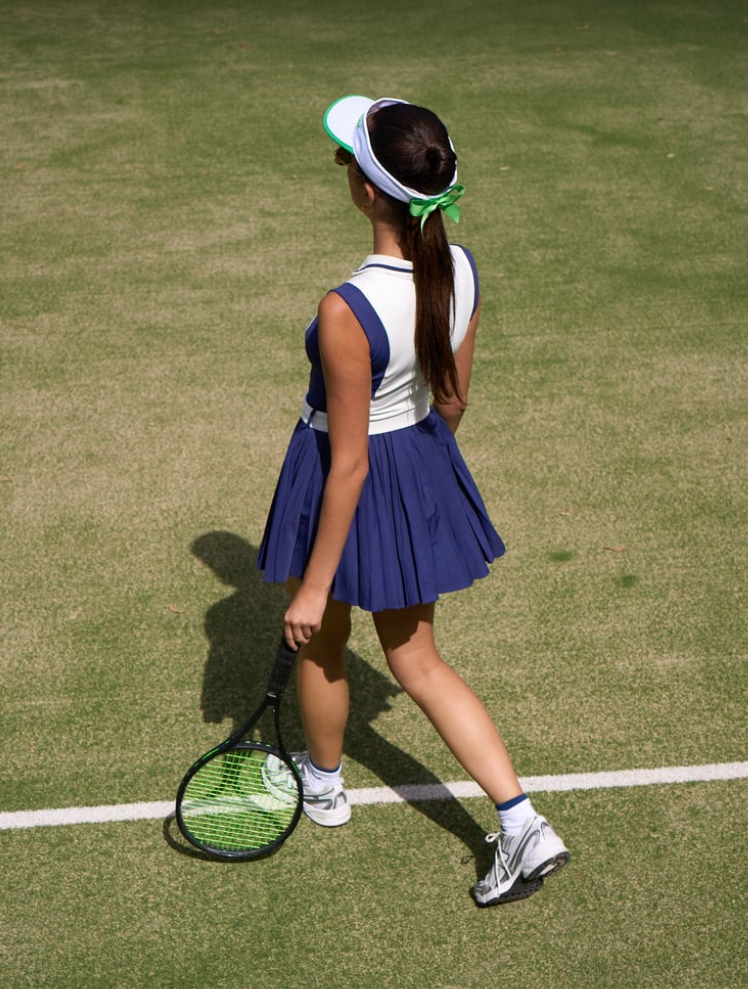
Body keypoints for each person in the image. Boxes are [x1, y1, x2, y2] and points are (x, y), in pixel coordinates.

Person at [257, 95, 570, 907]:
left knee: (323, 631)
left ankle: (325, 786)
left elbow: (350, 463)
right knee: (417, 659)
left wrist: (318, 582)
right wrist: (421, 481)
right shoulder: (460, 267)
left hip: (346, 468)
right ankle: (521, 819)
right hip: (418, 458)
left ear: (366, 192)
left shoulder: (346, 309)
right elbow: (454, 397)